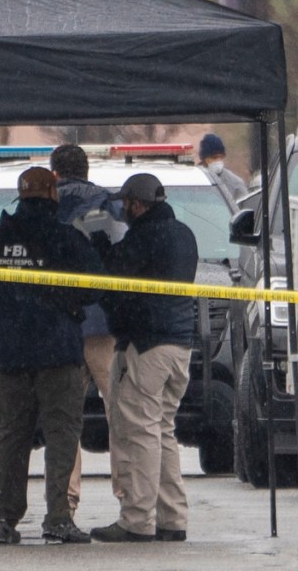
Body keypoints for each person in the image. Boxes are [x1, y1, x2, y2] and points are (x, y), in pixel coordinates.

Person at [0, 166, 106, 545]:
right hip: (57, 353)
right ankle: (58, 518)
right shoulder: (65, 238)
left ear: (20, 196)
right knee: (61, 436)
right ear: (53, 197)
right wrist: (65, 304)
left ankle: (3, 519)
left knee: (12, 437)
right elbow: (96, 286)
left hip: (10, 355)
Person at [94, 172, 198, 544]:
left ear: (137, 204)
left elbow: (114, 285)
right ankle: (173, 517)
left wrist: (102, 251)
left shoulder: (143, 237)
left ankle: (137, 519)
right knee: (162, 429)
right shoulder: (183, 234)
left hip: (148, 345)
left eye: (126, 203)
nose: (123, 209)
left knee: (140, 430)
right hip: (179, 344)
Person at [50, 144, 125, 525]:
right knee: (119, 414)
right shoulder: (108, 203)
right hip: (101, 322)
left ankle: (64, 504)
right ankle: (129, 500)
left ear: (54, 172)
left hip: (61, 324)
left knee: (64, 419)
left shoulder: (46, 205)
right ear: (86, 168)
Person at [196, 132, 244, 204]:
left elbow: (245, 210)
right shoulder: (193, 178)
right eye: (214, 157)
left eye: (221, 157)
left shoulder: (235, 183)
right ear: (204, 158)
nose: (218, 161)